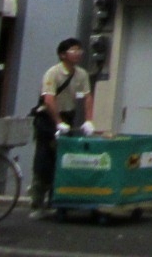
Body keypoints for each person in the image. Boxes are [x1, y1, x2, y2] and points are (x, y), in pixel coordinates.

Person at [29, 37, 95, 216]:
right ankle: (37, 203)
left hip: (67, 116)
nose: (78, 53)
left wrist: (89, 120)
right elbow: (49, 100)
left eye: (79, 50)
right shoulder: (53, 73)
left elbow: (87, 97)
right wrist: (58, 122)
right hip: (47, 118)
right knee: (44, 160)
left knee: (62, 159)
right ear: (63, 55)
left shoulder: (81, 74)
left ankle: (56, 200)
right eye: (74, 50)